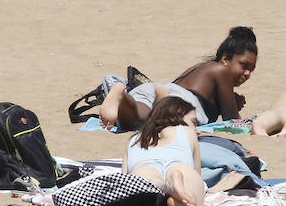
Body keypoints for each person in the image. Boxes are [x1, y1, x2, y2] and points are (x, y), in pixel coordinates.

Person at [98, 26, 258, 131]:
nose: (247, 73)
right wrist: (234, 107)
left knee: (133, 121)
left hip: (154, 89)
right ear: (225, 59)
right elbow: (232, 120)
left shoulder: (203, 68)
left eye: (251, 69)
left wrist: (231, 101)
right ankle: (137, 98)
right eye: (244, 65)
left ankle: (121, 95)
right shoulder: (222, 71)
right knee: (144, 122)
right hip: (180, 99)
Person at [124, 96, 205, 206]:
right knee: (192, 193)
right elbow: (197, 173)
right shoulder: (186, 131)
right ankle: (176, 191)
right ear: (177, 116)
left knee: (140, 195)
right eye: (194, 122)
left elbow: (124, 177)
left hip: (144, 168)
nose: (197, 130)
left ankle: (160, 186)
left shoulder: (133, 140)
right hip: (178, 167)